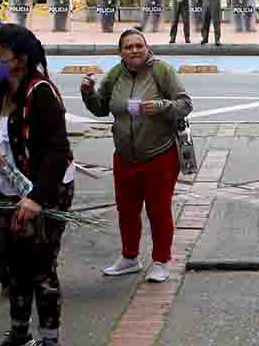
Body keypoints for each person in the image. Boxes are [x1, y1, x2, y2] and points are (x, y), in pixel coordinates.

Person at [0, 24, 75, 346]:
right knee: (13, 263)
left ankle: (50, 338)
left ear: (21, 59)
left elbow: (58, 153)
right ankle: (19, 332)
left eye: (0, 54)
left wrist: (37, 199)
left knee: (41, 264)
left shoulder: (41, 93)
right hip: (7, 191)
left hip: (45, 193)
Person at [82, 30, 193, 283]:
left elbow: (185, 104)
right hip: (124, 155)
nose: (134, 51)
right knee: (126, 210)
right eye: (128, 47)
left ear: (147, 48)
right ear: (120, 52)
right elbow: (101, 108)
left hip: (159, 154)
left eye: (138, 46)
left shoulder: (161, 71)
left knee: (158, 210)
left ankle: (161, 261)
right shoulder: (115, 74)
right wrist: (88, 93)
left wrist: (162, 106)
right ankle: (130, 257)